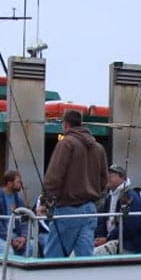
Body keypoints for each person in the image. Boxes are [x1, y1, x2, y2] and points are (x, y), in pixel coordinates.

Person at [43, 109, 108, 257]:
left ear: (65, 125)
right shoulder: (98, 148)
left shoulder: (66, 144)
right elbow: (105, 181)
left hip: (67, 209)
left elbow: (53, 178)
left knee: (53, 258)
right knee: (84, 258)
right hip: (91, 210)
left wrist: (48, 200)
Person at [94, 165, 141, 254]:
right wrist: (99, 236)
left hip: (128, 244)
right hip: (111, 240)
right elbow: (101, 220)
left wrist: (108, 238)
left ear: (122, 178)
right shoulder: (109, 198)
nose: (107, 178)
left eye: (111, 175)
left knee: (94, 254)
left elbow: (131, 225)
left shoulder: (132, 198)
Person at [0, 170, 31, 255]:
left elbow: (25, 220)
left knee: (31, 247)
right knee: (8, 252)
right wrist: (11, 240)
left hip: (15, 235)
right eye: (18, 182)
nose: (20, 184)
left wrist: (23, 237)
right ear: (9, 183)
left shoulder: (19, 199)